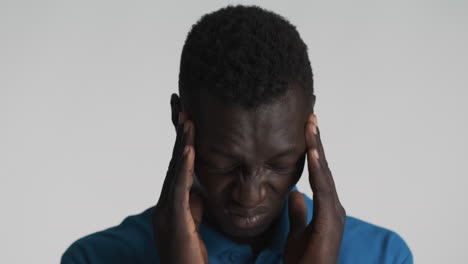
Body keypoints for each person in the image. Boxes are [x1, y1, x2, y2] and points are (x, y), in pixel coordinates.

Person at [61, 4, 413, 264]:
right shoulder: (94, 258)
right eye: (224, 164)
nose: (250, 195)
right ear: (179, 121)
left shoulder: (384, 256)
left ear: (311, 127)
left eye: (279, 164)